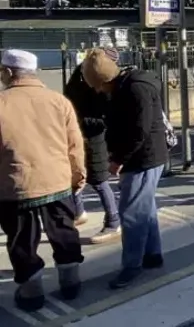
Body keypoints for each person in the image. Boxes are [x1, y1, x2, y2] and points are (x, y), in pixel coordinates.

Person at [0, 49, 86, 311]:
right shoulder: (58, 101)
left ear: (8, 72)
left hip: (15, 186)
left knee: (22, 240)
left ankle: (32, 291)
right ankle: (70, 283)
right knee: (64, 232)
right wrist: (77, 176)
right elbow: (75, 144)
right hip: (58, 182)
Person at [81, 48, 168, 289]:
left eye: (98, 85)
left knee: (131, 214)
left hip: (143, 159)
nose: (98, 91)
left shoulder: (135, 89)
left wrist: (118, 159)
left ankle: (132, 265)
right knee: (145, 210)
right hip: (146, 157)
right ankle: (153, 255)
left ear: (106, 80)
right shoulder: (128, 85)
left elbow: (138, 131)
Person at [64, 52, 121, 244]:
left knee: (99, 181)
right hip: (75, 134)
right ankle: (78, 212)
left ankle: (113, 221)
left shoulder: (106, 84)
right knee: (73, 176)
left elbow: (105, 118)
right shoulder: (79, 77)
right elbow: (69, 98)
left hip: (95, 138)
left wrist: (81, 121)